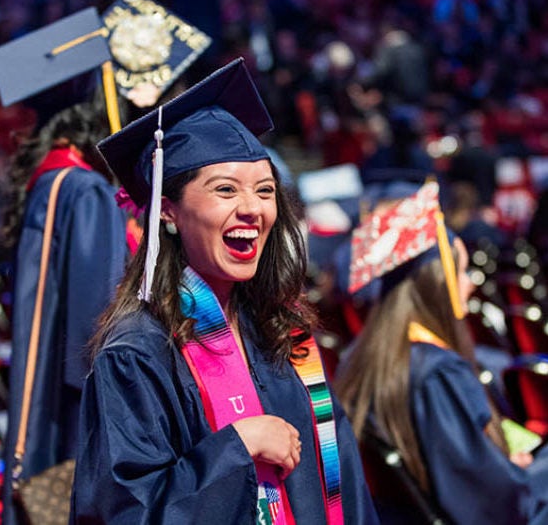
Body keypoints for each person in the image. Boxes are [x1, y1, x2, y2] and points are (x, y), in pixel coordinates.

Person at [70, 58, 379, 524]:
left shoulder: (281, 330)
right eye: (226, 190)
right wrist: (238, 447)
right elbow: (125, 513)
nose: (252, 208)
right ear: (168, 211)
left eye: (265, 190)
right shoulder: (137, 354)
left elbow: (343, 479)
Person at [335, 182, 548, 524]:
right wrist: (511, 474)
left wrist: (498, 467)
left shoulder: (360, 358)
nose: (471, 282)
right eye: (462, 271)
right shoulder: (437, 373)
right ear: (437, 282)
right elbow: (495, 507)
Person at [0, 99, 128, 524]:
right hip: (75, 396)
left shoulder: (48, 180)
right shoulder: (86, 190)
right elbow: (97, 316)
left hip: (41, 382)